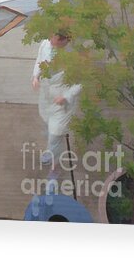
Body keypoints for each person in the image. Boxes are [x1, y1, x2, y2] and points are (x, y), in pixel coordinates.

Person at [32, 32, 82, 169]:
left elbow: (80, 82)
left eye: (53, 38)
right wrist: (36, 76)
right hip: (47, 94)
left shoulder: (75, 54)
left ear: (64, 39)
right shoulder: (45, 44)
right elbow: (39, 60)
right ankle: (51, 146)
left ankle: (54, 166)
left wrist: (66, 96)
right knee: (48, 123)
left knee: (55, 133)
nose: (49, 39)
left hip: (62, 98)